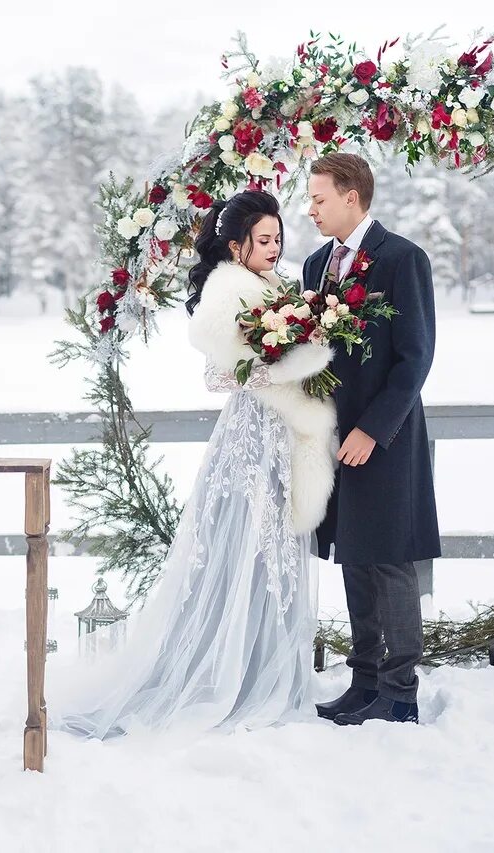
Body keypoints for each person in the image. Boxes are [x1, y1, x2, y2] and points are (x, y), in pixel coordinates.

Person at [58, 190, 337, 737]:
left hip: (285, 436)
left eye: (278, 239)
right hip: (252, 437)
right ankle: (224, 672)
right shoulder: (228, 289)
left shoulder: (278, 287)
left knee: (276, 553)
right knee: (242, 547)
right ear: (235, 245)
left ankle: (266, 667)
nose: (274, 249)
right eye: (263, 240)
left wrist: (304, 347)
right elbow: (218, 374)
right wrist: (281, 364)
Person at [304, 153, 441, 726]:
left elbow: (415, 358)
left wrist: (371, 429)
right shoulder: (315, 267)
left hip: (384, 439)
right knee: (352, 558)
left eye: (319, 199)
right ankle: (363, 682)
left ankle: (400, 692)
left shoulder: (402, 258)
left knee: (389, 561)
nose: (310, 209)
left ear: (352, 197)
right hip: (330, 439)